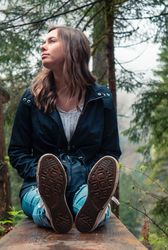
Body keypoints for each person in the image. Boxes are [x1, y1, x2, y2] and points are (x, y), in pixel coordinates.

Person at [8, 26, 121, 234]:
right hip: (39, 185)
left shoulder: (101, 99)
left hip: (85, 182)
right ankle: (50, 213)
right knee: (40, 204)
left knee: (92, 207)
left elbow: (110, 151)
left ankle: (91, 214)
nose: (43, 45)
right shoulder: (31, 98)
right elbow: (17, 151)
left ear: (72, 48)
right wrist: (43, 173)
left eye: (52, 41)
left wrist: (85, 175)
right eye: (44, 41)